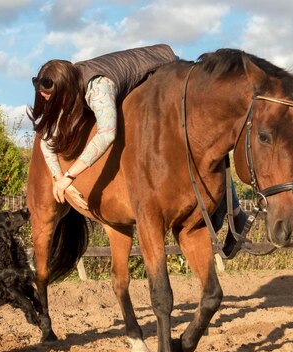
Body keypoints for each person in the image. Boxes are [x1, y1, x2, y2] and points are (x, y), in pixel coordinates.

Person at [28, 44, 248, 257]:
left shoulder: (98, 89)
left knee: (196, 141)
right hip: (140, 82)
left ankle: (234, 211)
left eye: (52, 99)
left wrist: (70, 175)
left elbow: (106, 134)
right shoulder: (67, 89)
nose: (49, 104)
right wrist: (58, 178)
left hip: (162, 72)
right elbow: (47, 139)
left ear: (65, 90)